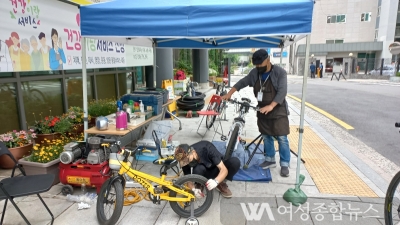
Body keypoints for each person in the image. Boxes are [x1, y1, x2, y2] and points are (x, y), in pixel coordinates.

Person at [221, 49, 291, 177]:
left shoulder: (280, 73)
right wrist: (229, 93)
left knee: (282, 138)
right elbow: (242, 82)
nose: (258, 67)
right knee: (266, 136)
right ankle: (270, 159)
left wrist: (271, 106)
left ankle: (285, 163)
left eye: (261, 64)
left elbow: (282, 92)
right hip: (262, 109)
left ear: (268, 60)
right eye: (256, 65)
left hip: (278, 110)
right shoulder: (255, 73)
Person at [174, 141, 240, 198]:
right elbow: (188, 180)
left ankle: (220, 183)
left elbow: (223, 169)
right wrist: (193, 190)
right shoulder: (183, 159)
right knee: (198, 169)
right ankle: (199, 183)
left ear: (193, 152)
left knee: (235, 162)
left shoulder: (207, 147)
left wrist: (216, 181)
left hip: (215, 169)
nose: (186, 163)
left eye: (188, 160)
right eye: (184, 162)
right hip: (201, 172)